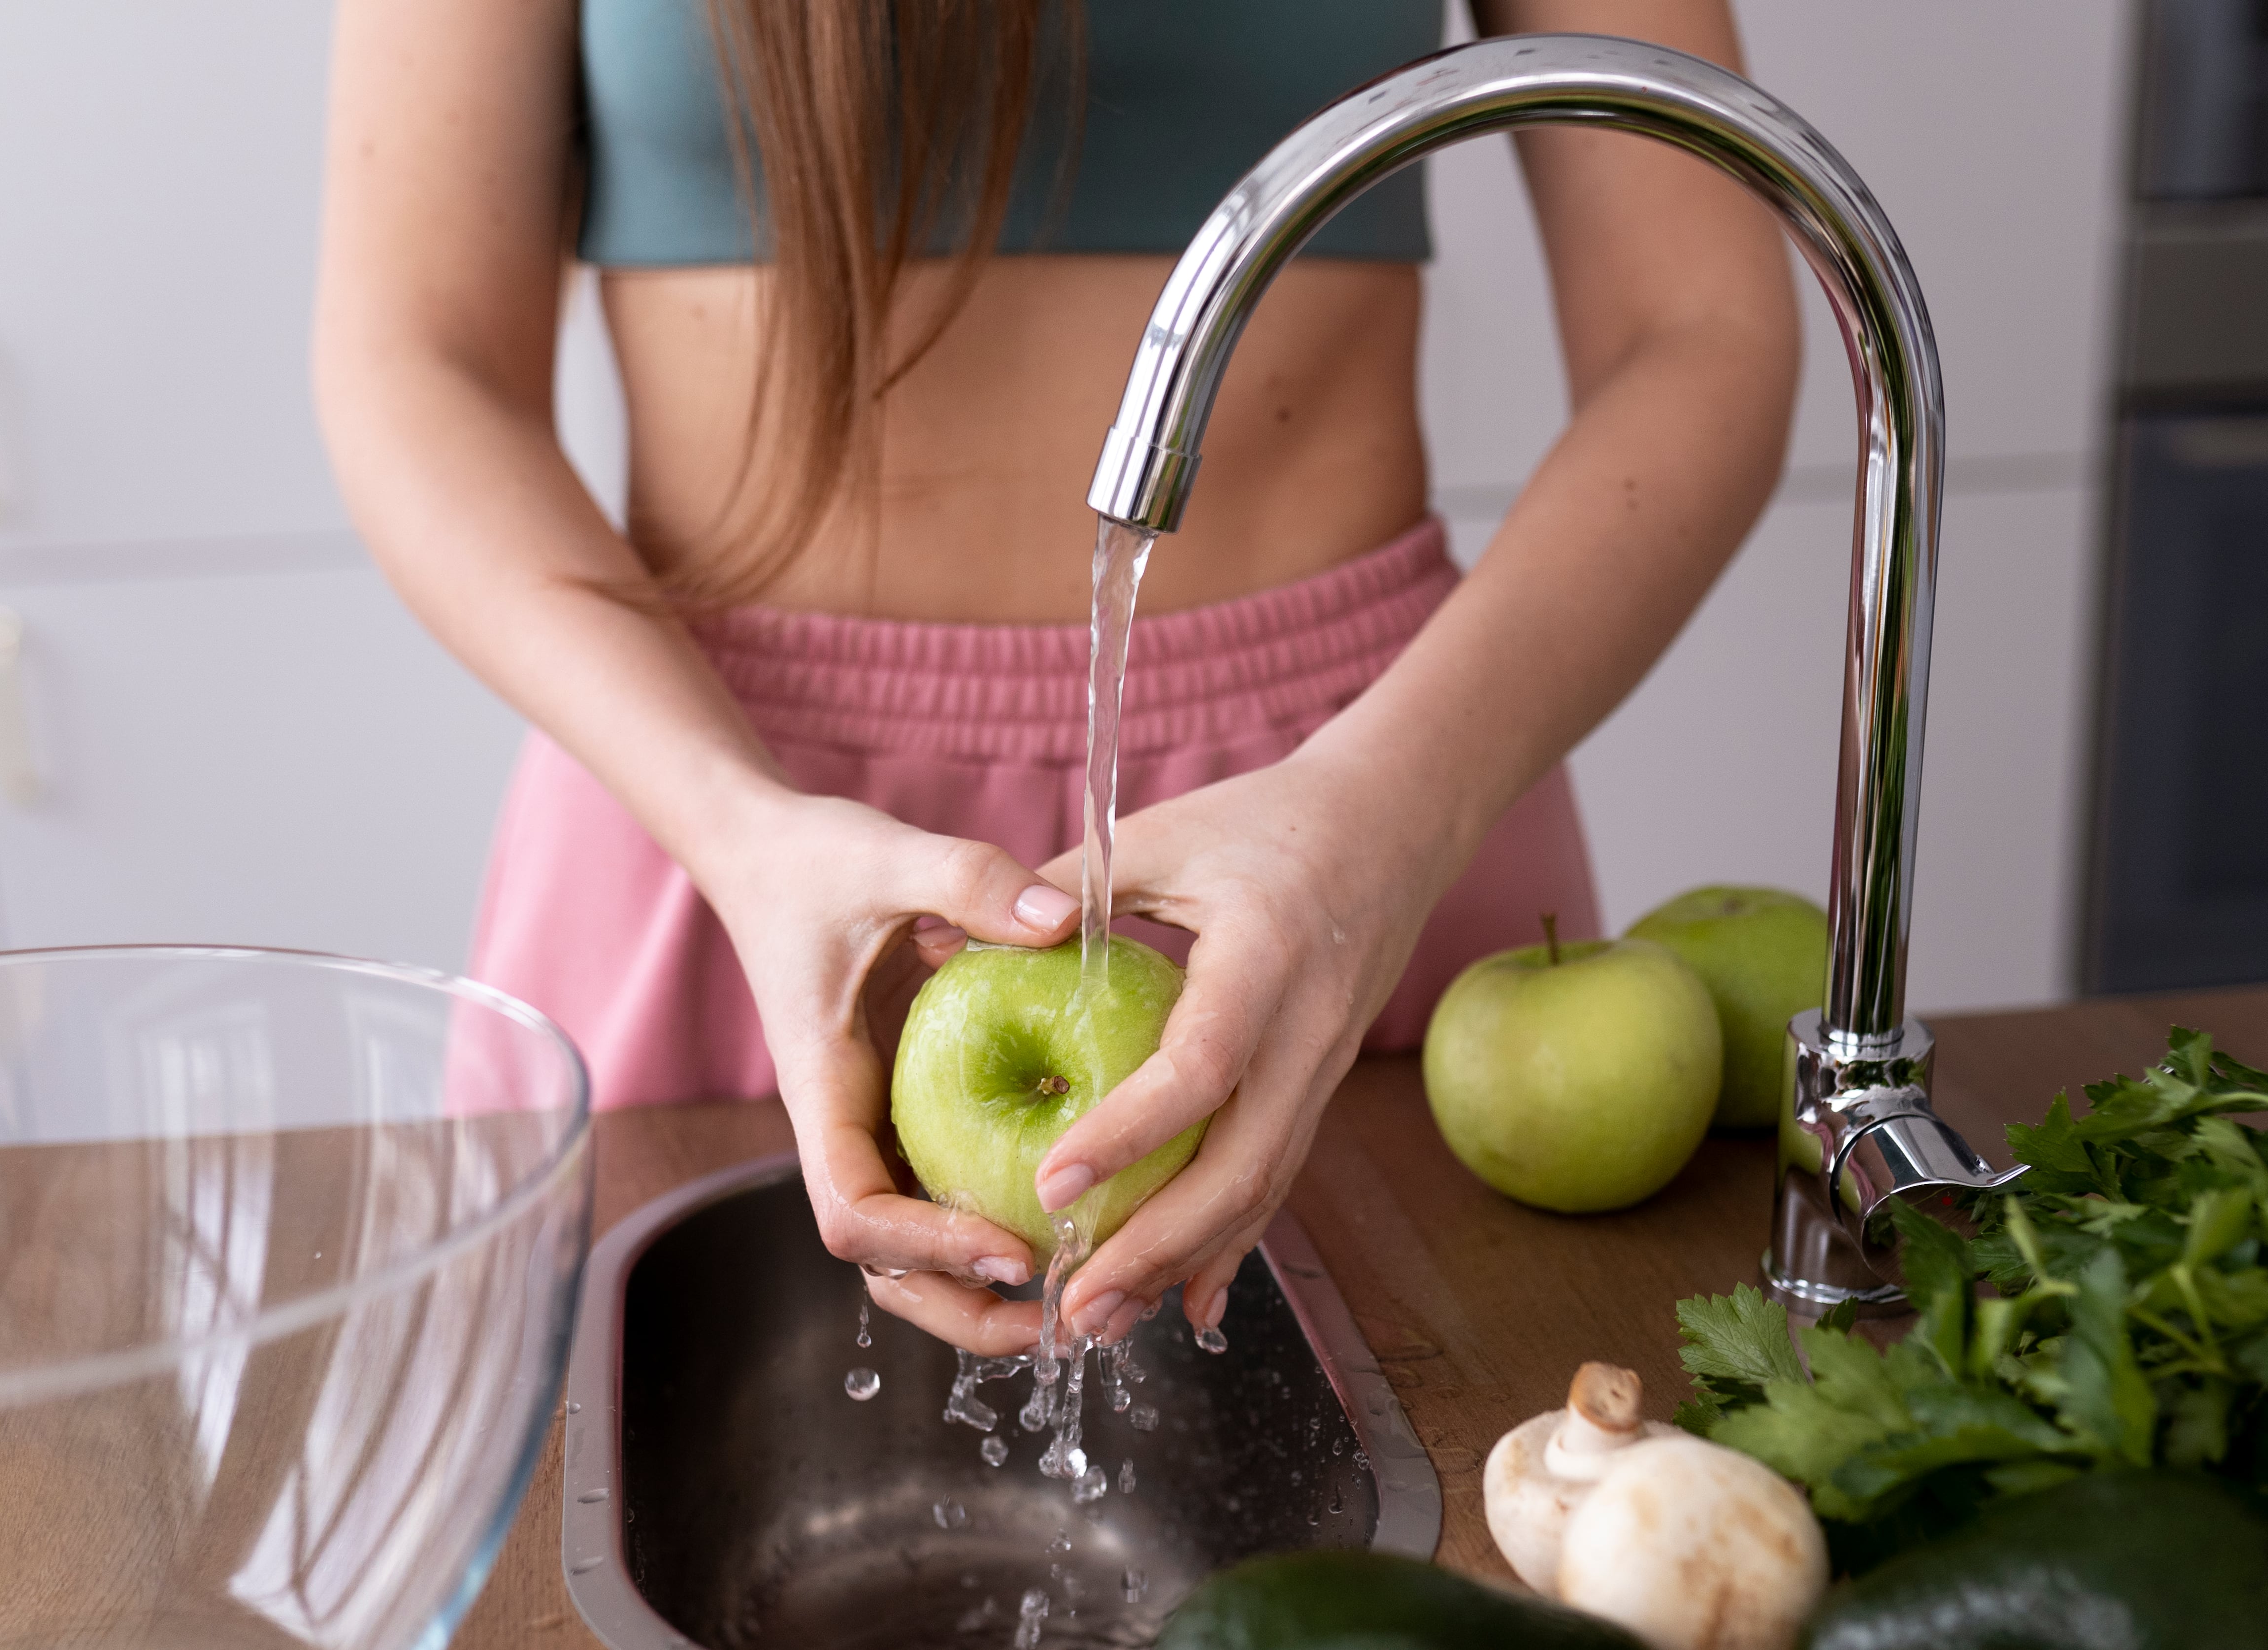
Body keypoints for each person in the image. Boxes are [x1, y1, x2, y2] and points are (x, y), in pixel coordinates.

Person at [315, 0, 1797, 1359]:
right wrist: (736, 828)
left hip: (1351, 806)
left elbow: (1702, 326)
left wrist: (1392, 807)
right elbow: (418, 351)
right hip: (715, 823)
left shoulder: (1371, 819)